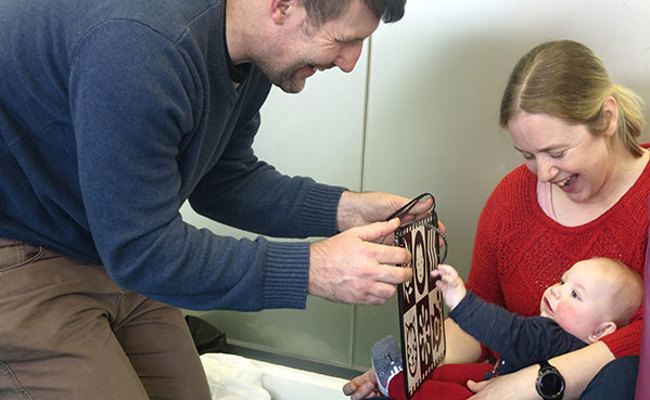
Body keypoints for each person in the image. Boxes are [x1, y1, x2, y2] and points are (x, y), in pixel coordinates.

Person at [0, 0, 428, 399]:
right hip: (21, 248)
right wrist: (313, 269)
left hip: (107, 242)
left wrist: (346, 210)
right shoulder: (138, 46)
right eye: (343, 40)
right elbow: (141, 251)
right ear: (281, 6)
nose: (351, 62)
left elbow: (223, 180)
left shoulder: (250, 52)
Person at [344, 39, 648, 400]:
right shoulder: (512, 199)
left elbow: (640, 342)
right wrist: (409, 372)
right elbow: (477, 323)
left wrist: (537, 383)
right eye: (529, 155)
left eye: (557, 152)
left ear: (608, 119)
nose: (545, 172)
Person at [369, 258, 643, 400]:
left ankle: (396, 383)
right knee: (466, 372)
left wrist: (462, 302)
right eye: (562, 281)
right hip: (500, 373)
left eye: (575, 295)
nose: (557, 291)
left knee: (454, 395)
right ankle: (414, 377)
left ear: (600, 333)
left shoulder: (553, 337)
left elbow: (509, 332)